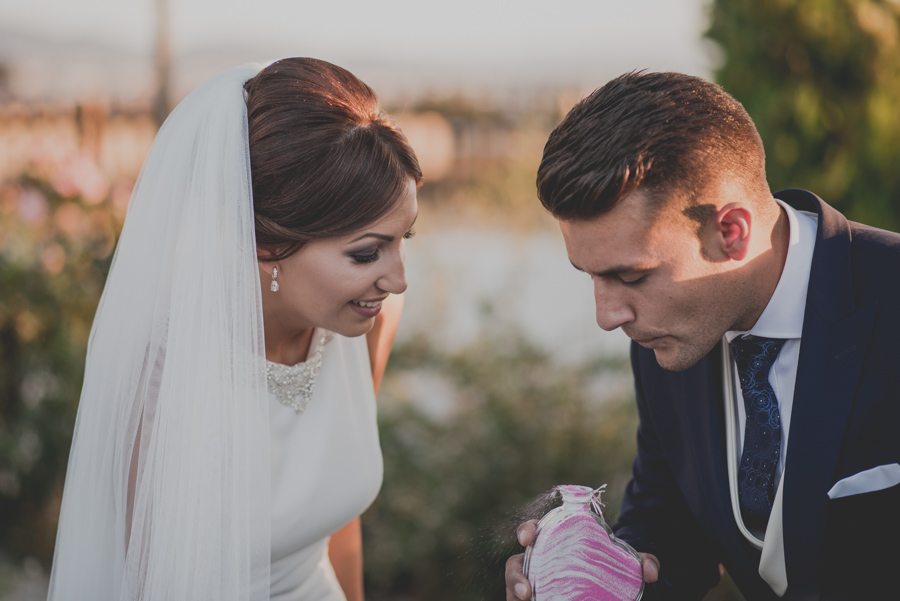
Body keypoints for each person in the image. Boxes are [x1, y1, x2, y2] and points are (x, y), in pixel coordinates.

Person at [505, 71, 900, 600]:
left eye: (631, 275)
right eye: (592, 276)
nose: (607, 315)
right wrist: (599, 579)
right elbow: (669, 533)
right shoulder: (663, 337)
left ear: (730, 231)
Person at [47, 58, 421, 601]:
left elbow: (338, 522)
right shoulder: (159, 379)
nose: (399, 280)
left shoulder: (370, 321)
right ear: (266, 245)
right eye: (367, 253)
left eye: (407, 236)